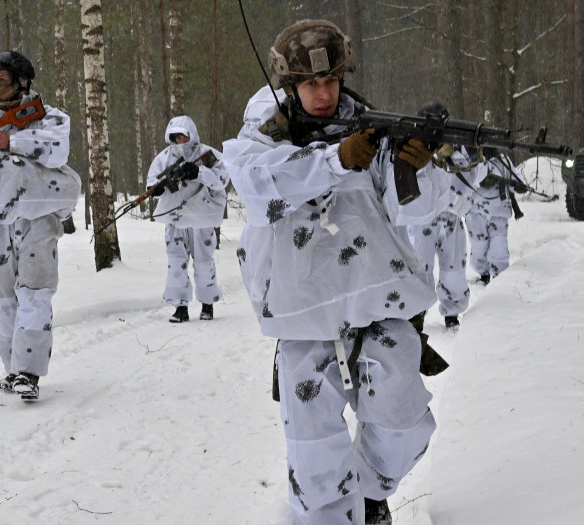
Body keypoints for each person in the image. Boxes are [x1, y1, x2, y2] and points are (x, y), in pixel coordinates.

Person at [222, 19, 446, 525]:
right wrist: (333, 160)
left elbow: (418, 209)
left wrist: (420, 164)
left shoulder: (373, 128)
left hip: (378, 298)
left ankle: (370, 495)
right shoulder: (261, 136)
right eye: (310, 84)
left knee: (402, 417)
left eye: (332, 81)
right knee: (314, 445)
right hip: (304, 308)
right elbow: (258, 188)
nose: (324, 94)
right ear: (288, 85)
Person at [0, 51, 81, 401]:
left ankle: (29, 371)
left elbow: (57, 151)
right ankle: (12, 369)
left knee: (34, 293)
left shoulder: (48, 117)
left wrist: (13, 141)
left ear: (22, 80)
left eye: (4, 77)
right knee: (3, 299)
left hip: (37, 213)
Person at [145, 115, 229, 323]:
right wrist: (157, 189)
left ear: (191, 135)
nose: (181, 142)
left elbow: (222, 179)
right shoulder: (164, 158)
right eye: (176, 138)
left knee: (203, 260)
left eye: (184, 137)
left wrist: (199, 172)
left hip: (202, 216)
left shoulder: (207, 154)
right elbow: (152, 182)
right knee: (176, 261)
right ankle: (180, 307)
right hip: (175, 216)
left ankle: (207, 304)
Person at [407, 145, 475, 329]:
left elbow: (474, 180)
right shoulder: (419, 148)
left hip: (452, 219)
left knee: (454, 270)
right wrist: (433, 154)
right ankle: (415, 314)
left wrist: (472, 154)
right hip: (423, 219)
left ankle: (452, 313)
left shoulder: (463, 154)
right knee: (419, 268)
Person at [464, 147, 529, 284]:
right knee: (478, 246)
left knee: (499, 247)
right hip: (477, 210)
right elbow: (469, 178)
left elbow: (517, 178)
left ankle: (499, 278)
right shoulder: (472, 158)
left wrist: (519, 185)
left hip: (499, 211)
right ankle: (483, 273)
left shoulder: (503, 160)